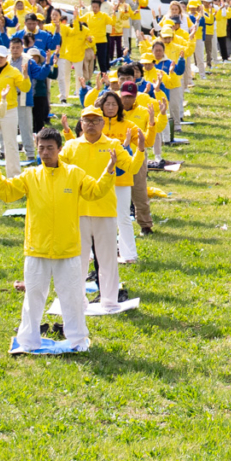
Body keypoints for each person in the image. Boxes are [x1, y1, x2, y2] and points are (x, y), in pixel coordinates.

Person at [0, 126, 115, 354]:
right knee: (33, 298)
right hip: (37, 248)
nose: (45, 153)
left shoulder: (74, 174)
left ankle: (77, 340)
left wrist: (109, 170)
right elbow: (7, 193)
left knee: (72, 298)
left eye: (50, 148)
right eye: (41, 148)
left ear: (59, 149)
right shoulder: (30, 175)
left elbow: (95, 192)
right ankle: (28, 341)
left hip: (67, 249)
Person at [64, 105, 140, 312]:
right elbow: (56, 169)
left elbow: (131, 167)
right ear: (81, 124)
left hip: (105, 210)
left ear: (103, 123)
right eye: (86, 121)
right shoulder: (71, 147)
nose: (90, 125)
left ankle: (109, 301)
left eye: (95, 121)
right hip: (77, 210)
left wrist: (140, 150)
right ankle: (77, 301)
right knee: (77, 261)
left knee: (107, 261)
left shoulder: (113, 145)